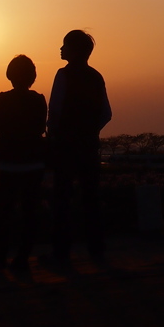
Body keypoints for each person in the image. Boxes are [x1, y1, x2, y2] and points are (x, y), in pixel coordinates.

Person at [48, 29, 112, 265]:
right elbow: (107, 113)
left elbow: (54, 111)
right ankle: (97, 249)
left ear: (73, 50)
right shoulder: (96, 76)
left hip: (65, 146)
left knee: (62, 198)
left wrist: (54, 135)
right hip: (88, 146)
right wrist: (91, 130)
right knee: (91, 198)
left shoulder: (63, 75)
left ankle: (61, 252)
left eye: (65, 45)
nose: (61, 48)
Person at [0, 55, 48, 273]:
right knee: (29, 213)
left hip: (9, 163)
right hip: (33, 163)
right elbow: (41, 127)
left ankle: (0, 257)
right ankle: (22, 258)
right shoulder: (39, 99)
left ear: (10, 75)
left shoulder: (3, 99)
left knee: (4, 214)